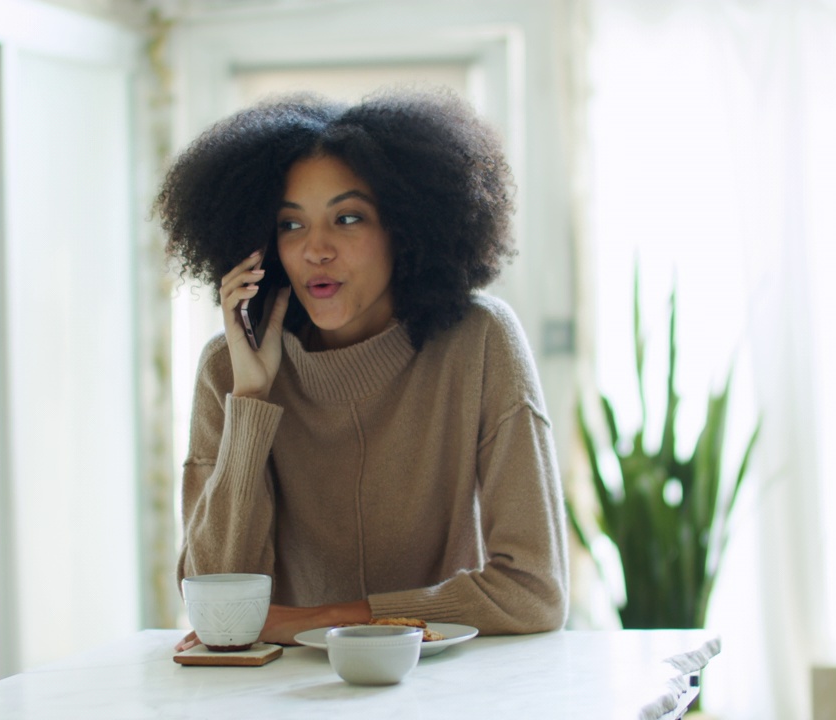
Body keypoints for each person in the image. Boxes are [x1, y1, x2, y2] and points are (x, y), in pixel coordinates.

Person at [156, 88, 568, 649]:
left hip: (448, 687)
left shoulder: (480, 342)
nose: (316, 249)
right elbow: (216, 609)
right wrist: (251, 399)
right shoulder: (230, 370)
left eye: (347, 218)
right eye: (291, 225)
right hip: (289, 697)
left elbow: (534, 590)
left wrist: (327, 619)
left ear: (404, 229)